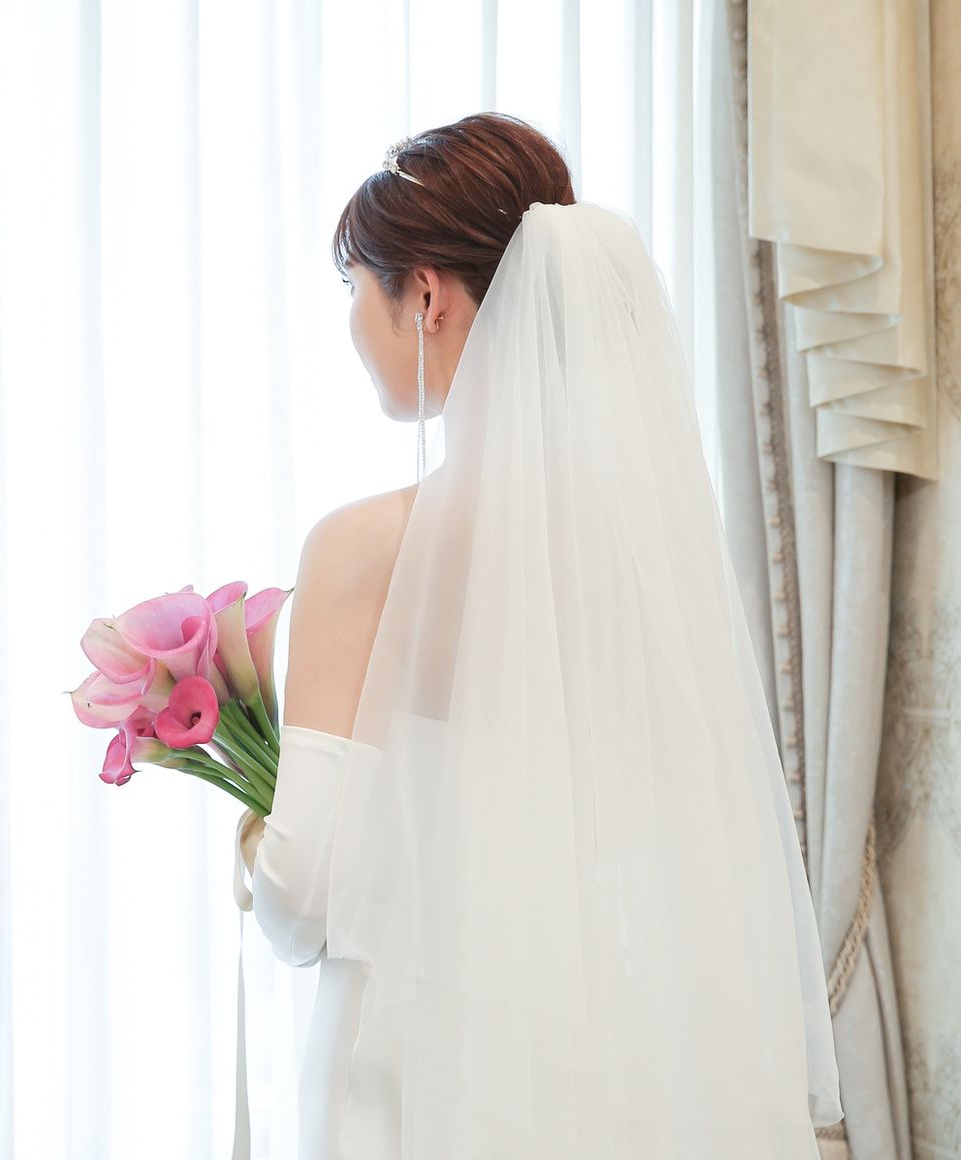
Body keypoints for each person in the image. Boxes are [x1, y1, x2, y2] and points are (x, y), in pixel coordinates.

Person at [234, 112, 845, 1159]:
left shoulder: (364, 548)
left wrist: (254, 838)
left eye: (356, 288)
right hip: (605, 1055)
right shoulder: (641, 553)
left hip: (413, 1071)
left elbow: (303, 892)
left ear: (425, 296)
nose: (351, 322)